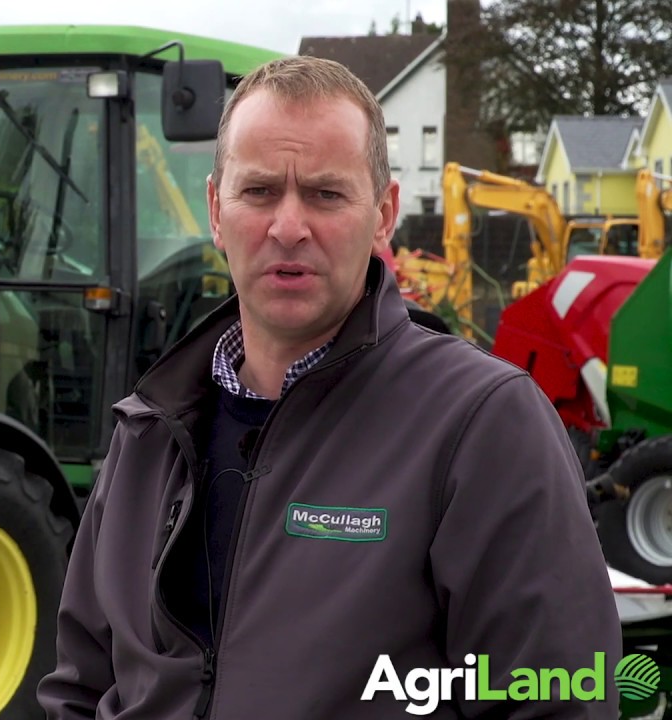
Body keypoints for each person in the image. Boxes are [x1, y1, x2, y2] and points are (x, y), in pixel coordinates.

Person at [37, 56, 622, 718]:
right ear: (215, 209)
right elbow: (80, 687)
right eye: (258, 192)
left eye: (325, 194)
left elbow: (557, 700)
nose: (288, 226)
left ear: (383, 214)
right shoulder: (146, 431)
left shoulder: (481, 425)